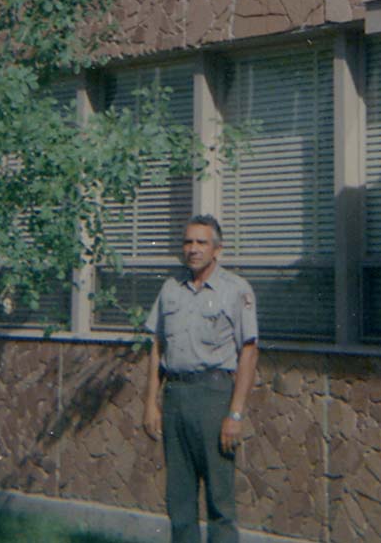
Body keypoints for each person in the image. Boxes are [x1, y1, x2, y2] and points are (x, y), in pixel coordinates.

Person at [143, 214, 259, 543]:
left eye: (201, 243)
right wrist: (151, 403)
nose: (193, 249)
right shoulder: (170, 289)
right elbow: (157, 347)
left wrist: (235, 413)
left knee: (219, 501)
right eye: (188, 242)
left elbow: (249, 353)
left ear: (217, 250)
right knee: (179, 501)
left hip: (214, 396)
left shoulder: (235, 290)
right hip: (176, 396)